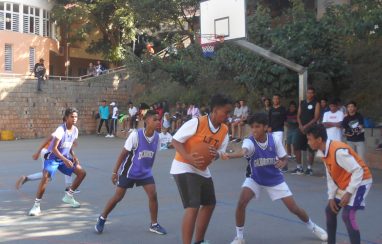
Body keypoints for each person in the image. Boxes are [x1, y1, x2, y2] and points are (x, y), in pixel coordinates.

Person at [221, 113, 327, 244]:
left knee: (294, 208)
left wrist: (282, 163)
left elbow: (284, 158)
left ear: (265, 127)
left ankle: (313, 227)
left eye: (257, 127)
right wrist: (229, 156)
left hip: (274, 179)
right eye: (252, 127)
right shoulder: (249, 141)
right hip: (255, 178)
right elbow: (243, 151)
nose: (254, 130)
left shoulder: (274, 140)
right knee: (241, 203)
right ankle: (239, 237)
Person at [171, 94, 232, 244]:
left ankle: (199, 241)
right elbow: (175, 140)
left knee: (210, 203)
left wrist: (216, 154)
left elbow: (220, 153)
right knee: (193, 206)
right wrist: (188, 157)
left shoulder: (224, 131)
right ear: (216, 110)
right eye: (226, 112)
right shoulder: (197, 123)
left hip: (202, 168)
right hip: (183, 165)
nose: (228, 116)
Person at [95, 110, 167, 235]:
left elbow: (151, 156)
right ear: (146, 121)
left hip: (145, 173)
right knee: (118, 197)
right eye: (154, 119)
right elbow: (123, 154)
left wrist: (147, 169)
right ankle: (102, 218)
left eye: (158, 119)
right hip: (129, 171)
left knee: (153, 195)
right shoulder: (135, 135)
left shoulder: (157, 138)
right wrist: (114, 172)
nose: (158, 122)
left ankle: (154, 224)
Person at [306, 124, 372, 244]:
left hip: (361, 181)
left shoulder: (338, 151)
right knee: (330, 211)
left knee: (347, 215)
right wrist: (331, 196)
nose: (308, 142)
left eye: (310, 139)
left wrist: (349, 192)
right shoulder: (323, 151)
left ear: (319, 139)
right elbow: (330, 175)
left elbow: (358, 171)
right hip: (346, 182)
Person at [28, 108, 87, 216]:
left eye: (76, 117)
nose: (74, 119)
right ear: (66, 118)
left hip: (64, 157)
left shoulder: (75, 130)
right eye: (72, 117)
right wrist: (65, 159)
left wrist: (74, 156)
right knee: (46, 177)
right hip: (52, 158)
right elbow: (54, 148)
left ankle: (69, 196)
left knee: (82, 173)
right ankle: (36, 206)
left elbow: (69, 145)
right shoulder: (60, 130)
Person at [291, 87, 320, 176]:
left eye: (311, 93)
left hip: (311, 128)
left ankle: (309, 168)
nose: (309, 94)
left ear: (314, 94)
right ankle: (299, 167)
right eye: (308, 93)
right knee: (296, 145)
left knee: (311, 148)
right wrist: (300, 126)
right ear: (306, 93)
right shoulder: (302, 102)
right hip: (301, 128)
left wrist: (306, 126)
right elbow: (298, 115)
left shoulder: (316, 103)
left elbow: (316, 117)